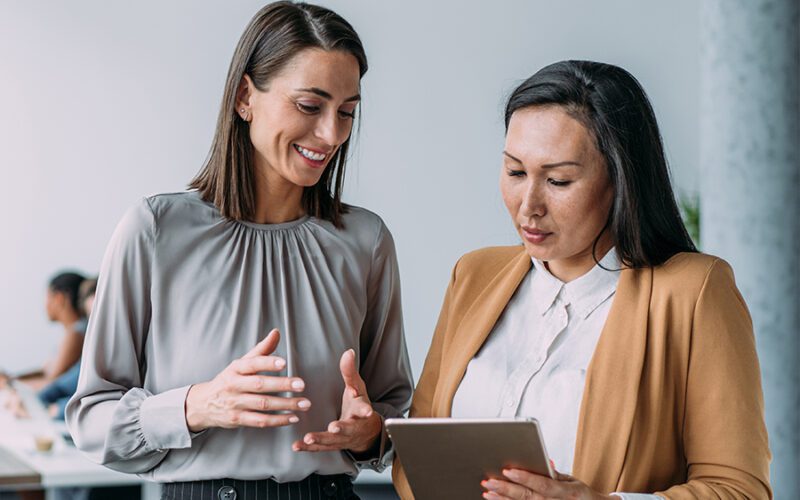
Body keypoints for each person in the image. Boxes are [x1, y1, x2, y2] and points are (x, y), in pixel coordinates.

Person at [66, 3, 412, 499]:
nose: (332, 134)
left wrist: (372, 433)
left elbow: (395, 413)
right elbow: (91, 418)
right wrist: (197, 406)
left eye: (347, 112)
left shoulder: (366, 241)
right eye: (310, 107)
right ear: (245, 96)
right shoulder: (157, 230)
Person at [392, 61, 771, 499]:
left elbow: (740, 490)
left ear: (620, 180)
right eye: (515, 172)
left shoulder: (694, 291)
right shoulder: (474, 275)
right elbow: (418, 456)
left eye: (558, 180)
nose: (528, 206)